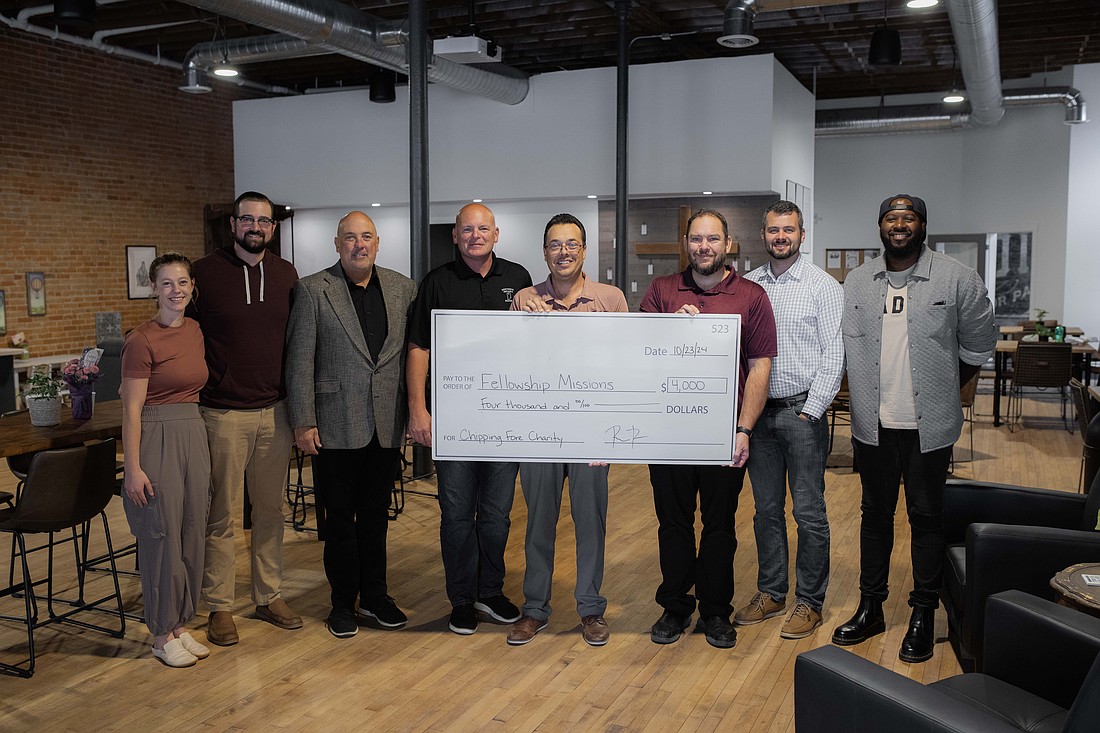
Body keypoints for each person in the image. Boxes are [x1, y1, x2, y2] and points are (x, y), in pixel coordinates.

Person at [831, 194, 996, 663]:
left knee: (926, 519)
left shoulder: (955, 277)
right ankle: (871, 606)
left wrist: (945, 387)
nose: (899, 224)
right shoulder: (858, 282)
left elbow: (980, 342)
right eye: (890, 217)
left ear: (922, 225)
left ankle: (924, 611)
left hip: (930, 428)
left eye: (908, 217)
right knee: (874, 518)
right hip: (872, 426)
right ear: (880, 226)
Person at [639, 209, 776, 649]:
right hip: (668, 434)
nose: (704, 247)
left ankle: (716, 611)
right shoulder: (661, 292)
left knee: (719, 526)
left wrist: (744, 429)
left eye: (712, 239)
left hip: (723, 434)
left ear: (728, 242)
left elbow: (759, 367)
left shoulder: (752, 297)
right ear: (686, 243)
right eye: (696, 239)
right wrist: (669, 332)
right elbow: (639, 357)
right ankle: (675, 606)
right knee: (673, 524)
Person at [285, 211, 417, 638]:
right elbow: (300, 359)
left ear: (377, 242)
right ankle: (342, 603)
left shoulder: (403, 289)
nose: (358, 245)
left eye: (366, 237)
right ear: (336, 243)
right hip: (334, 424)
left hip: (385, 423)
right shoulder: (312, 290)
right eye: (349, 238)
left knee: (376, 516)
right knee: (339, 519)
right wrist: (303, 421)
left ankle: (376, 597)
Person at [406, 203, 533, 635]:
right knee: (457, 514)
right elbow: (418, 348)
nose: (475, 235)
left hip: (505, 420)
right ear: (455, 236)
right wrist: (418, 409)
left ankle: (490, 591)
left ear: (496, 234)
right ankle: (461, 598)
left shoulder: (518, 280)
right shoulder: (436, 283)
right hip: (454, 420)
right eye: (467, 229)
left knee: (497, 515)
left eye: (483, 229)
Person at [505, 213, 628, 647]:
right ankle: (535, 608)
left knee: (590, 520)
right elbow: (508, 362)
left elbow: (626, 365)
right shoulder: (523, 298)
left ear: (584, 249)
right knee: (538, 520)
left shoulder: (610, 299)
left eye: (572, 244)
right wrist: (520, 312)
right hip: (539, 429)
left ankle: (591, 609)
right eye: (555, 245)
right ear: (544, 252)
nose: (564, 252)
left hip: (592, 431)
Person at [187, 191, 301, 646]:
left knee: (272, 512)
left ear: (272, 229)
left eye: (264, 221)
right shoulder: (204, 275)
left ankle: (268, 595)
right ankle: (219, 605)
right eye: (247, 219)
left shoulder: (287, 275)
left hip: (275, 412)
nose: (256, 227)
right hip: (222, 414)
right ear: (233, 225)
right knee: (220, 515)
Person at [737, 200, 844, 640]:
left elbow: (834, 351)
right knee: (765, 512)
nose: (781, 237)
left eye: (789, 230)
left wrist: (811, 409)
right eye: (774, 230)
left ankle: (810, 602)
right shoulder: (749, 285)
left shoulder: (822, 286)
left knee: (809, 512)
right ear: (763, 235)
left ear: (802, 235)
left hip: (801, 411)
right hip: (758, 417)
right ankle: (772, 591)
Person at [121, 252, 211, 668]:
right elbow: (132, 409)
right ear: (154, 288)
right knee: (161, 536)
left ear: (192, 286)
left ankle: (179, 624)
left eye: (183, 282)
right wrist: (134, 467)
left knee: (192, 529)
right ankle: (159, 634)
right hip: (156, 433)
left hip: (193, 428)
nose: (177, 290)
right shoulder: (141, 339)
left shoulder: (194, 329)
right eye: (167, 283)